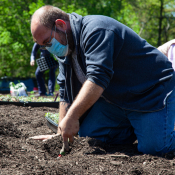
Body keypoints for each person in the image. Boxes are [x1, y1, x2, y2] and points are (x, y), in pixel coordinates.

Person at [30, 5, 175, 156]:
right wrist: (61, 132)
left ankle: (151, 127)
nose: (48, 48)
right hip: (117, 100)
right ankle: (140, 126)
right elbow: (65, 91)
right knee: (89, 136)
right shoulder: (66, 49)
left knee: (156, 148)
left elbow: (98, 78)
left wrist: (72, 117)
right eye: (43, 46)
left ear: (60, 25)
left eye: (47, 42)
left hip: (150, 92)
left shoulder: (97, 29)